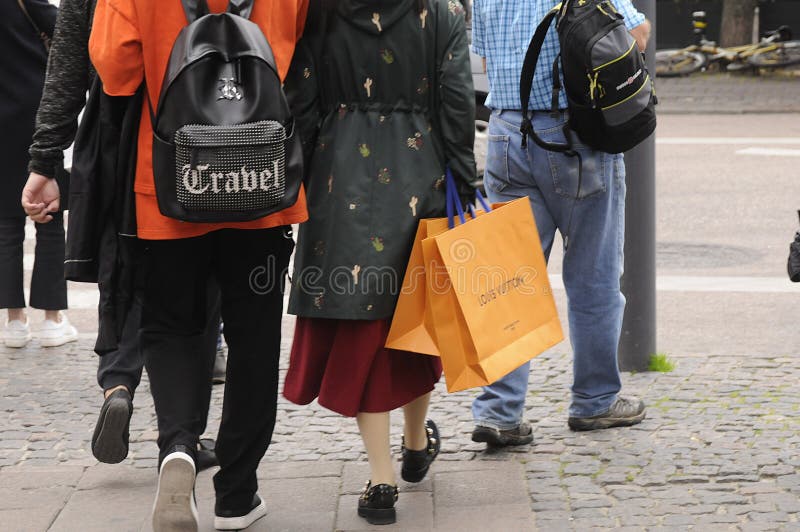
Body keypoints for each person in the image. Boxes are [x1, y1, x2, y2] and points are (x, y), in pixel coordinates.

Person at [87, 0, 309, 529]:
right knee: (254, 335)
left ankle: (179, 449)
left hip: (170, 179)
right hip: (259, 178)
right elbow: (299, 48)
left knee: (169, 323)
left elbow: (116, 71)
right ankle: (237, 493)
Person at [282, 0, 475, 525]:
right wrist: (465, 175)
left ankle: (382, 474)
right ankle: (415, 446)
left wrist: (297, 180)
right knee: (416, 321)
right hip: (420, 168)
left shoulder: (319, 10)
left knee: (361, 330)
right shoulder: (440, 12)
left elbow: (299, 99)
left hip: (338, 172)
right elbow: (457, 101)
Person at [21, 0, 221, 468]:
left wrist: (44, 161)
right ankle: (182, 438)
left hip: (119, 134)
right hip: (209, 125)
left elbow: (69, 67)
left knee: (124, 265)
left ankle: (118, 382)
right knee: (198, 281)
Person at [469, 0, 651, 446]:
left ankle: (500, 412)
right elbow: (634, 37)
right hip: (576, 141)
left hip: (506, 134)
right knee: (594, 277)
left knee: (507, 282)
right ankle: (595, 399)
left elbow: (486, 57)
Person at [0, 0, 78, 349]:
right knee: (48, 217)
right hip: (38, 118)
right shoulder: (29, 3)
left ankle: (13, 320)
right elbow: (72, 37)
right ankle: (51, 318)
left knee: (5, 224)